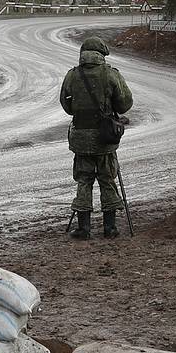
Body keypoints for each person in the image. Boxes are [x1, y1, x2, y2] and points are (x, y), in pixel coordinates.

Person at [59, 35, 133, 239]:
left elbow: (65, 105)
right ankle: (110, 228)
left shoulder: (72, 75)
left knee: (84, 180)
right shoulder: (111, 75)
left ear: (83, 54)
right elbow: (125, 103)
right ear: (102, 54)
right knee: (107, 179)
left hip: (80, 137)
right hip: (105, 137)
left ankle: (84, 228)